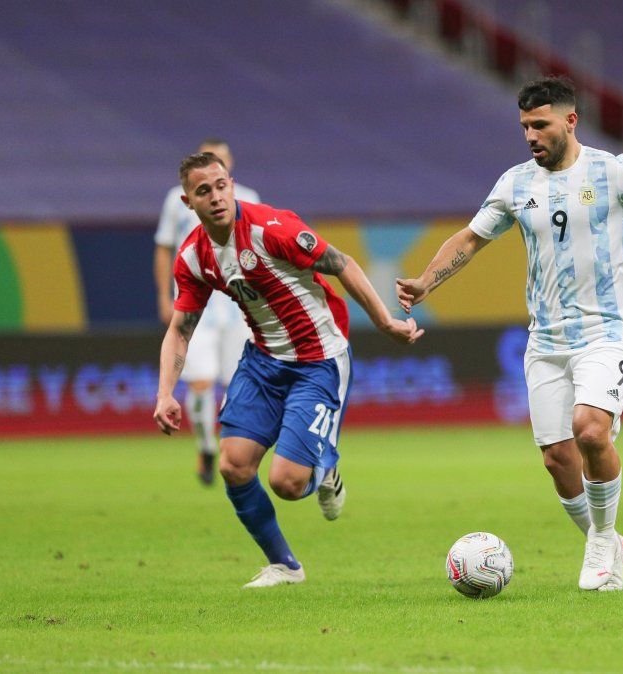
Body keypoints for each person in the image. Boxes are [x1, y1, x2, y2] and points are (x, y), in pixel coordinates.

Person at [397, 76, 623, 592]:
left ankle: (602, 545)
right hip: (546, 340)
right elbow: (470, 238)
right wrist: (425, 281)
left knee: (590, 429)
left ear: (570, 121)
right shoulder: (515, 184)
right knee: (557, 456)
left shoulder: (612, 171)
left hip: (607, 329)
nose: (530, 135)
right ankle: (607, 539)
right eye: (525, 126)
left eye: (540, 125)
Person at [154, 152, 423, 588]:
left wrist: (385, 322)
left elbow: (343, 265)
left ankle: (324, 470)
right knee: (234, 465)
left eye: (222, 185)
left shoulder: (271, 228)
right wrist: (165, 393)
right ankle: (285, 565)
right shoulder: (193, 257)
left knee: (286, 482)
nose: (217, 196)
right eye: (204, 191)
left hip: (318, 359)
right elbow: (180, 330)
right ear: (189, 203)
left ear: (232, 184)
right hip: (263, 361)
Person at [153, 139, 260, 485]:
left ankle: (232, 450)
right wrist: (162, 295)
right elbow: (164, 248)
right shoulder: (177, 199)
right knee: (200, 381)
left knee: (235, 383)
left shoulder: (248, 198)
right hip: (196, 303)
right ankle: (205, 446)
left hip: (237, 304)